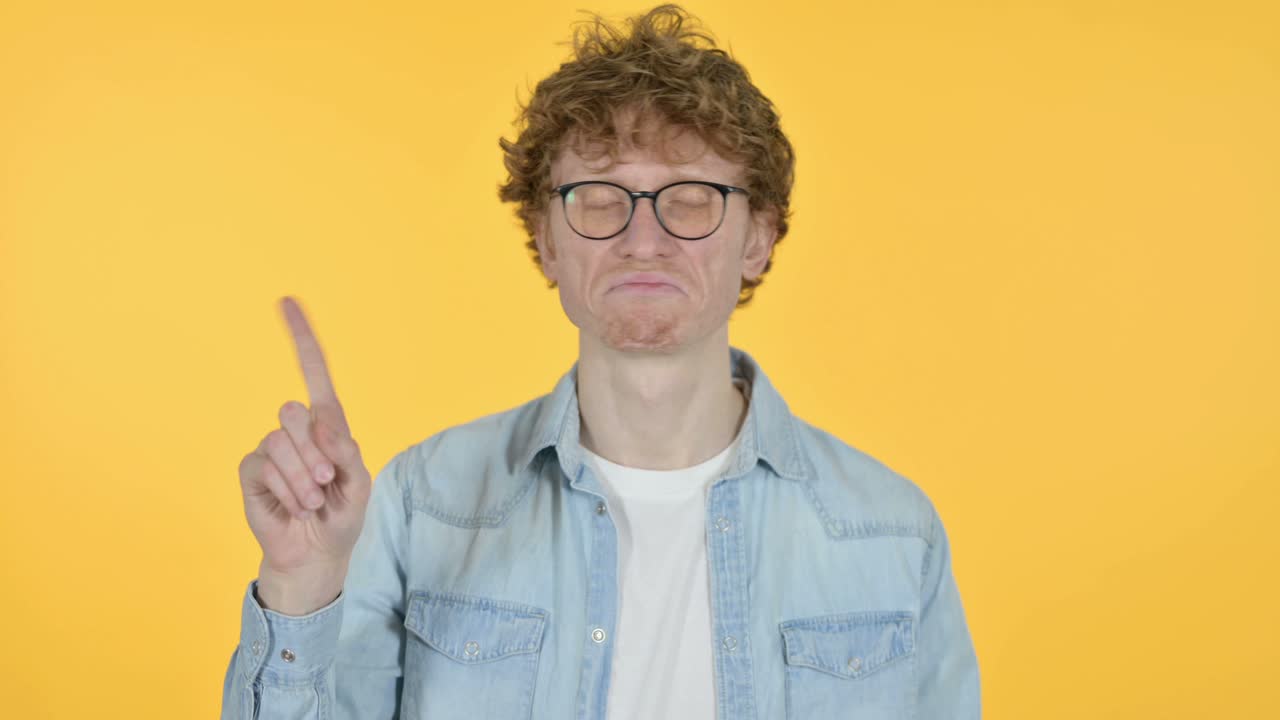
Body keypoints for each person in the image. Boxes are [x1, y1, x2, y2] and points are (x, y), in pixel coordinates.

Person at [220, 5, 980, 719]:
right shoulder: (423, 504)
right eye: (598, 196)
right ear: (546, 239)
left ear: (759, 238)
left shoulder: (890, 532)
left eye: (690, 197)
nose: (642, 239)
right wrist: (300, 583)